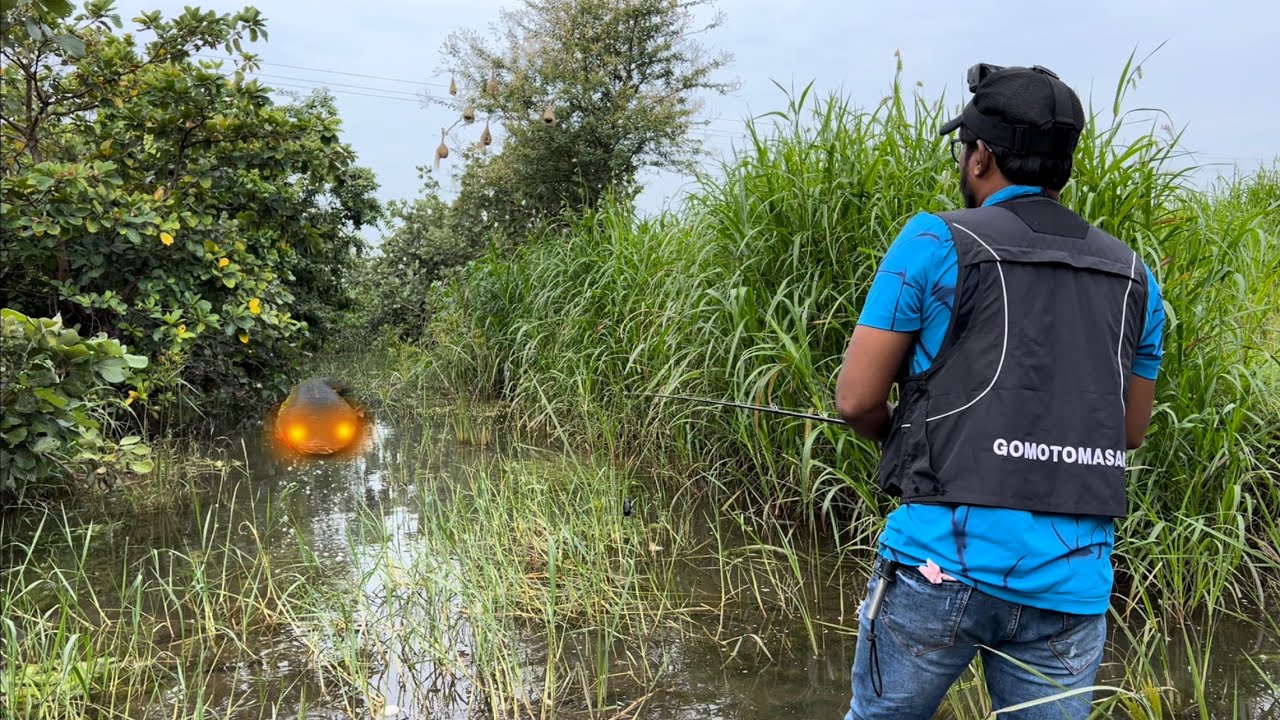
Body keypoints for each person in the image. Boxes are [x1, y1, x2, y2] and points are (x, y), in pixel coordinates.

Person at [833, 63, 1167, 720]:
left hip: (937, 565)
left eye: (965, 149)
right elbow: (1127, 431)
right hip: (1070, 585)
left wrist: (906, 434)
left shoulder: (933, 240)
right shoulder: (1137, 276)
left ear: (981, 155)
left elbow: (856, 401)